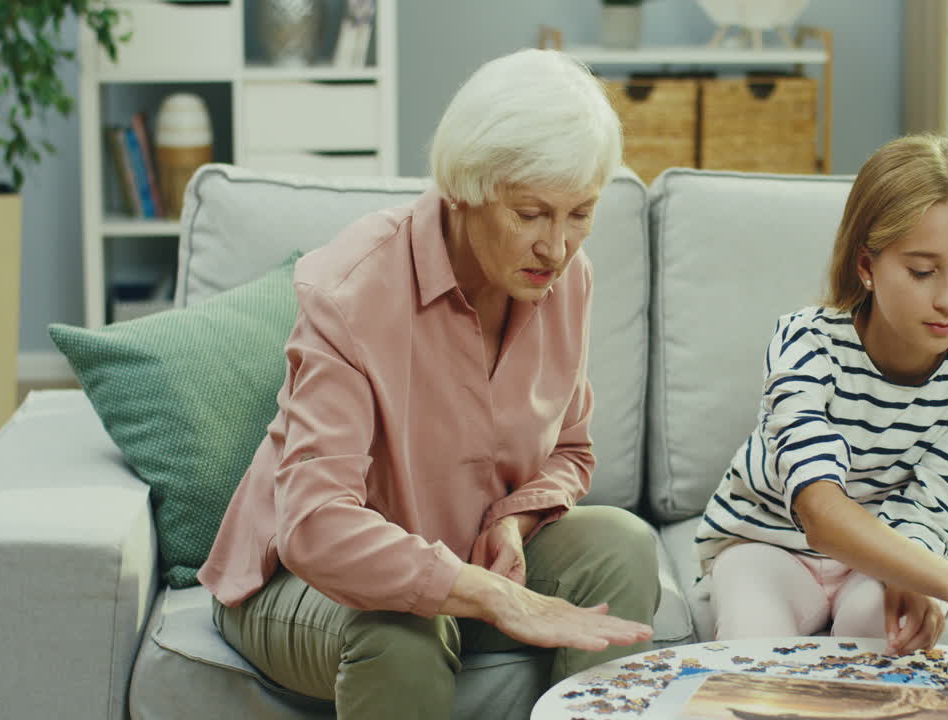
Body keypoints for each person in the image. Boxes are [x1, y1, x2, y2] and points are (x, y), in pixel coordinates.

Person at [198, 48, 659, 720]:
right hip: (305, 584)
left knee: (624, 544)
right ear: (468, 186)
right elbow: (316, 526)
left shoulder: (565, 279)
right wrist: (496, 597)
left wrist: (513, 520)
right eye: (531, 213)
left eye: (580, 214)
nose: (556, 247)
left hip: (465, 565)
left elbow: (571, 450)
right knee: (401, 629)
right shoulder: (353, 291)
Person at [695, 134, 948, 703]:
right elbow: (817, 508)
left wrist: (913, 572)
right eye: (921, 272)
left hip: (893, 550)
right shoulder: (804, 342)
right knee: (756, 670)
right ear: (867, 265)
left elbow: (930, 504)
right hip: (769, 544)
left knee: (882, 655)